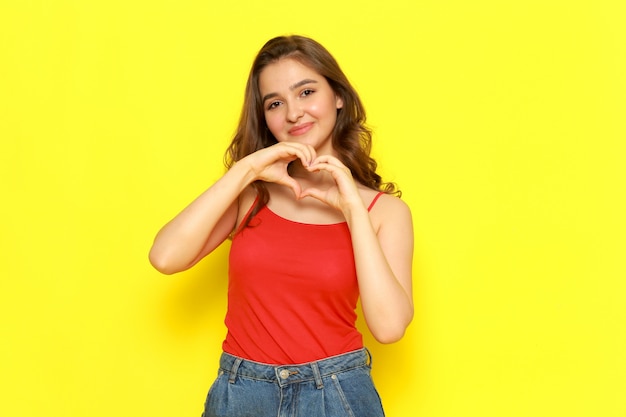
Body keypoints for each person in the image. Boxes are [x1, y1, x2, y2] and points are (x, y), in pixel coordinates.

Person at [149, 35, 414, 417]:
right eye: (275, 103)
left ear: (338, 96)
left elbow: (389, 328)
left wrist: (353, 209)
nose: (293, 113)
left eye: (306, 92)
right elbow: (164, 256)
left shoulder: (383, 211)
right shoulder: (251, 195)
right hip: (242, 393)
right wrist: (247, 169)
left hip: (336, 394)